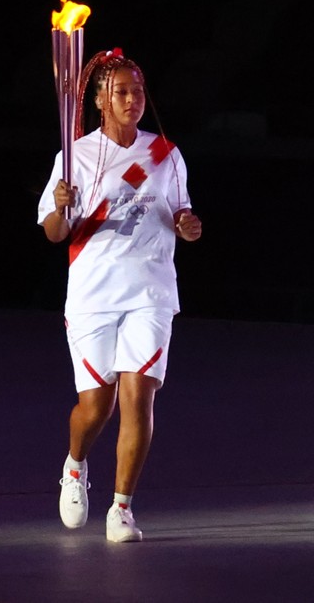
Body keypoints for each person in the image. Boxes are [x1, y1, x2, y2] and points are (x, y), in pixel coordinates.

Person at [37, 48, 202, 543]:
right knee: (97, 406)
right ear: (101, 101)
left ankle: (122, 508)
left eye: (137, 91)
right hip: (93, 295)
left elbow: (180, 214)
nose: (132, 99)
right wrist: (62, 208)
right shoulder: (76, 156)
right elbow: (54, 232)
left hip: (150, 291)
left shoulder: (164, 154)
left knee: (138, 395)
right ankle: (74, 465)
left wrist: (187, 226)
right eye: (121, 92)